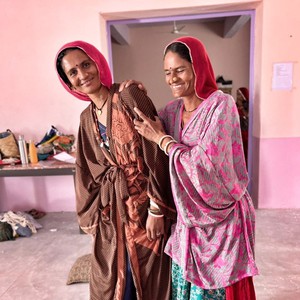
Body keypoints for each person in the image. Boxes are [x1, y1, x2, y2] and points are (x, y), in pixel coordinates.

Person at [130, 36, 259, 299]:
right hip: (187, 221)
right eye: (167, 72)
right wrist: (132, 93)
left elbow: (206, 165)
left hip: (221, 220)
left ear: (197, 68)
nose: (172, 79)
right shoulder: (172, 111)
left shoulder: (220, 105)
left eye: (180, 70)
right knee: (184, 289)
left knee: (215, 291)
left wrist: (163, 141)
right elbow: (152, 148)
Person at [55, 41, 176, 300]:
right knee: (112, 282)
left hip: (146, 208)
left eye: (85, 64)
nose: (82, 74)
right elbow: (86, 172)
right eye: (73, 72)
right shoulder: (86, 119)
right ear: (69, 83)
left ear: (98, 63)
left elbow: (155, 151)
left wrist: (157, 209)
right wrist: (92, 221)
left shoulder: (128, 95)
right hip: (113, 211)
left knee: (150, 278)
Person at [236, 87, 249, 165]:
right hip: (238, 134)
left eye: (239, 95)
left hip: (246, 135)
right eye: (237, 94)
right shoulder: (235, 107)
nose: (237, 97)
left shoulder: (248, 109)